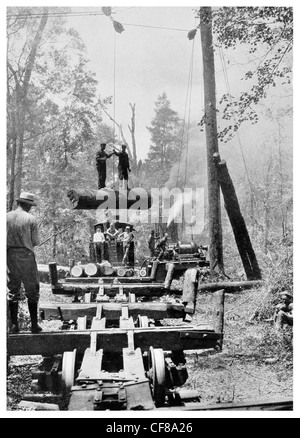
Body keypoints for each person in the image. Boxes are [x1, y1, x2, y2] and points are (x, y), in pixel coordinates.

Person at [7, 192, 42, 334]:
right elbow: (36, 242)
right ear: (27, 205)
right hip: (26, 257)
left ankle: (14, 326)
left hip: (9, 256)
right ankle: (34, 325)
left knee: (12, 290)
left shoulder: (6, 217)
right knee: (32, 290)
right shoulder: (30, 219)